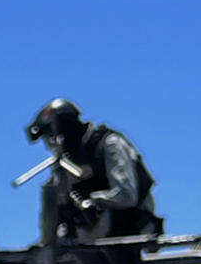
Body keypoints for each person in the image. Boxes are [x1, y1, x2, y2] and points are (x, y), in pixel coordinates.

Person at [26, 99, 162, 249]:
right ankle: (47, 246)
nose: (51, 146)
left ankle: (60, 246)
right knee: (51, 189)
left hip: (132, 222)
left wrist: (93, 200)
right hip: (93, 227)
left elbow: (127, 195)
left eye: (51, 138)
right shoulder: (71, 159)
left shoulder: (109, 144)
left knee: (86, 208)